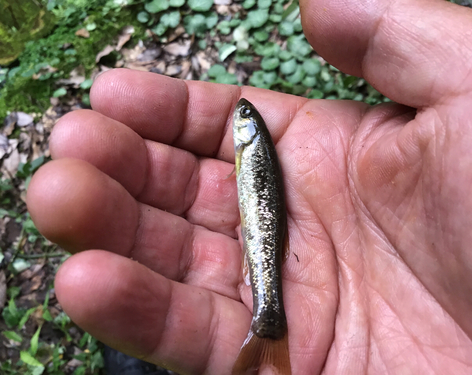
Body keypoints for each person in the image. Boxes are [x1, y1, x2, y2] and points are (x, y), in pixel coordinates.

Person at [26, 0, 472, 373]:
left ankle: (266, 321)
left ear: (246, 135)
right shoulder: (252, 149)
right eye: (244, 119)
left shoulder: (251, 146)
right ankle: (265, 320)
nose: (241, 121)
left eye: (244, 121)